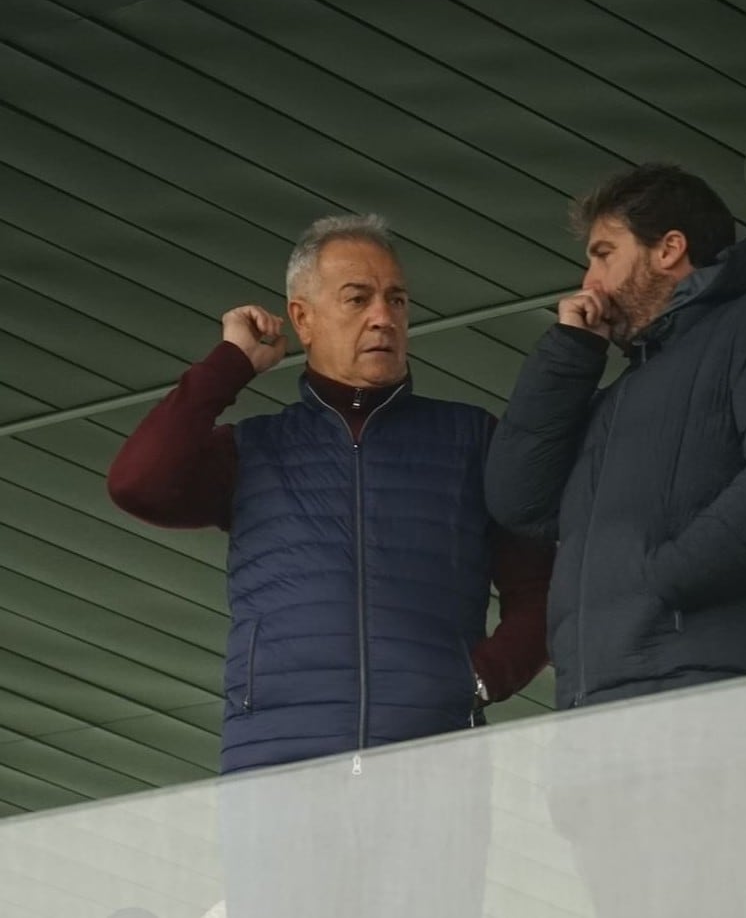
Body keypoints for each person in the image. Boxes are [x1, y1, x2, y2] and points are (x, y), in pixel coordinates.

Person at [107, 213, 552, 774]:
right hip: (274, 765)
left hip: (432, 761)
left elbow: (539, 586)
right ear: (303, 318)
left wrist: (479, 681)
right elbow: (136, 483)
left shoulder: (470, 439)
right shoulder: (253, 450)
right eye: (358, 298)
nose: (382, 318)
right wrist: (229, 365)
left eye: (397, 300)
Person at [485, 162, 746, 710]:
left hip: (715, 682)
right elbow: (518, 501)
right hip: (596, 697)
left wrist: (667, 580)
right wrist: (569, 353)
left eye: (603, 254)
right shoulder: (621, 394)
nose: (589, 282)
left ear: (669, 249)